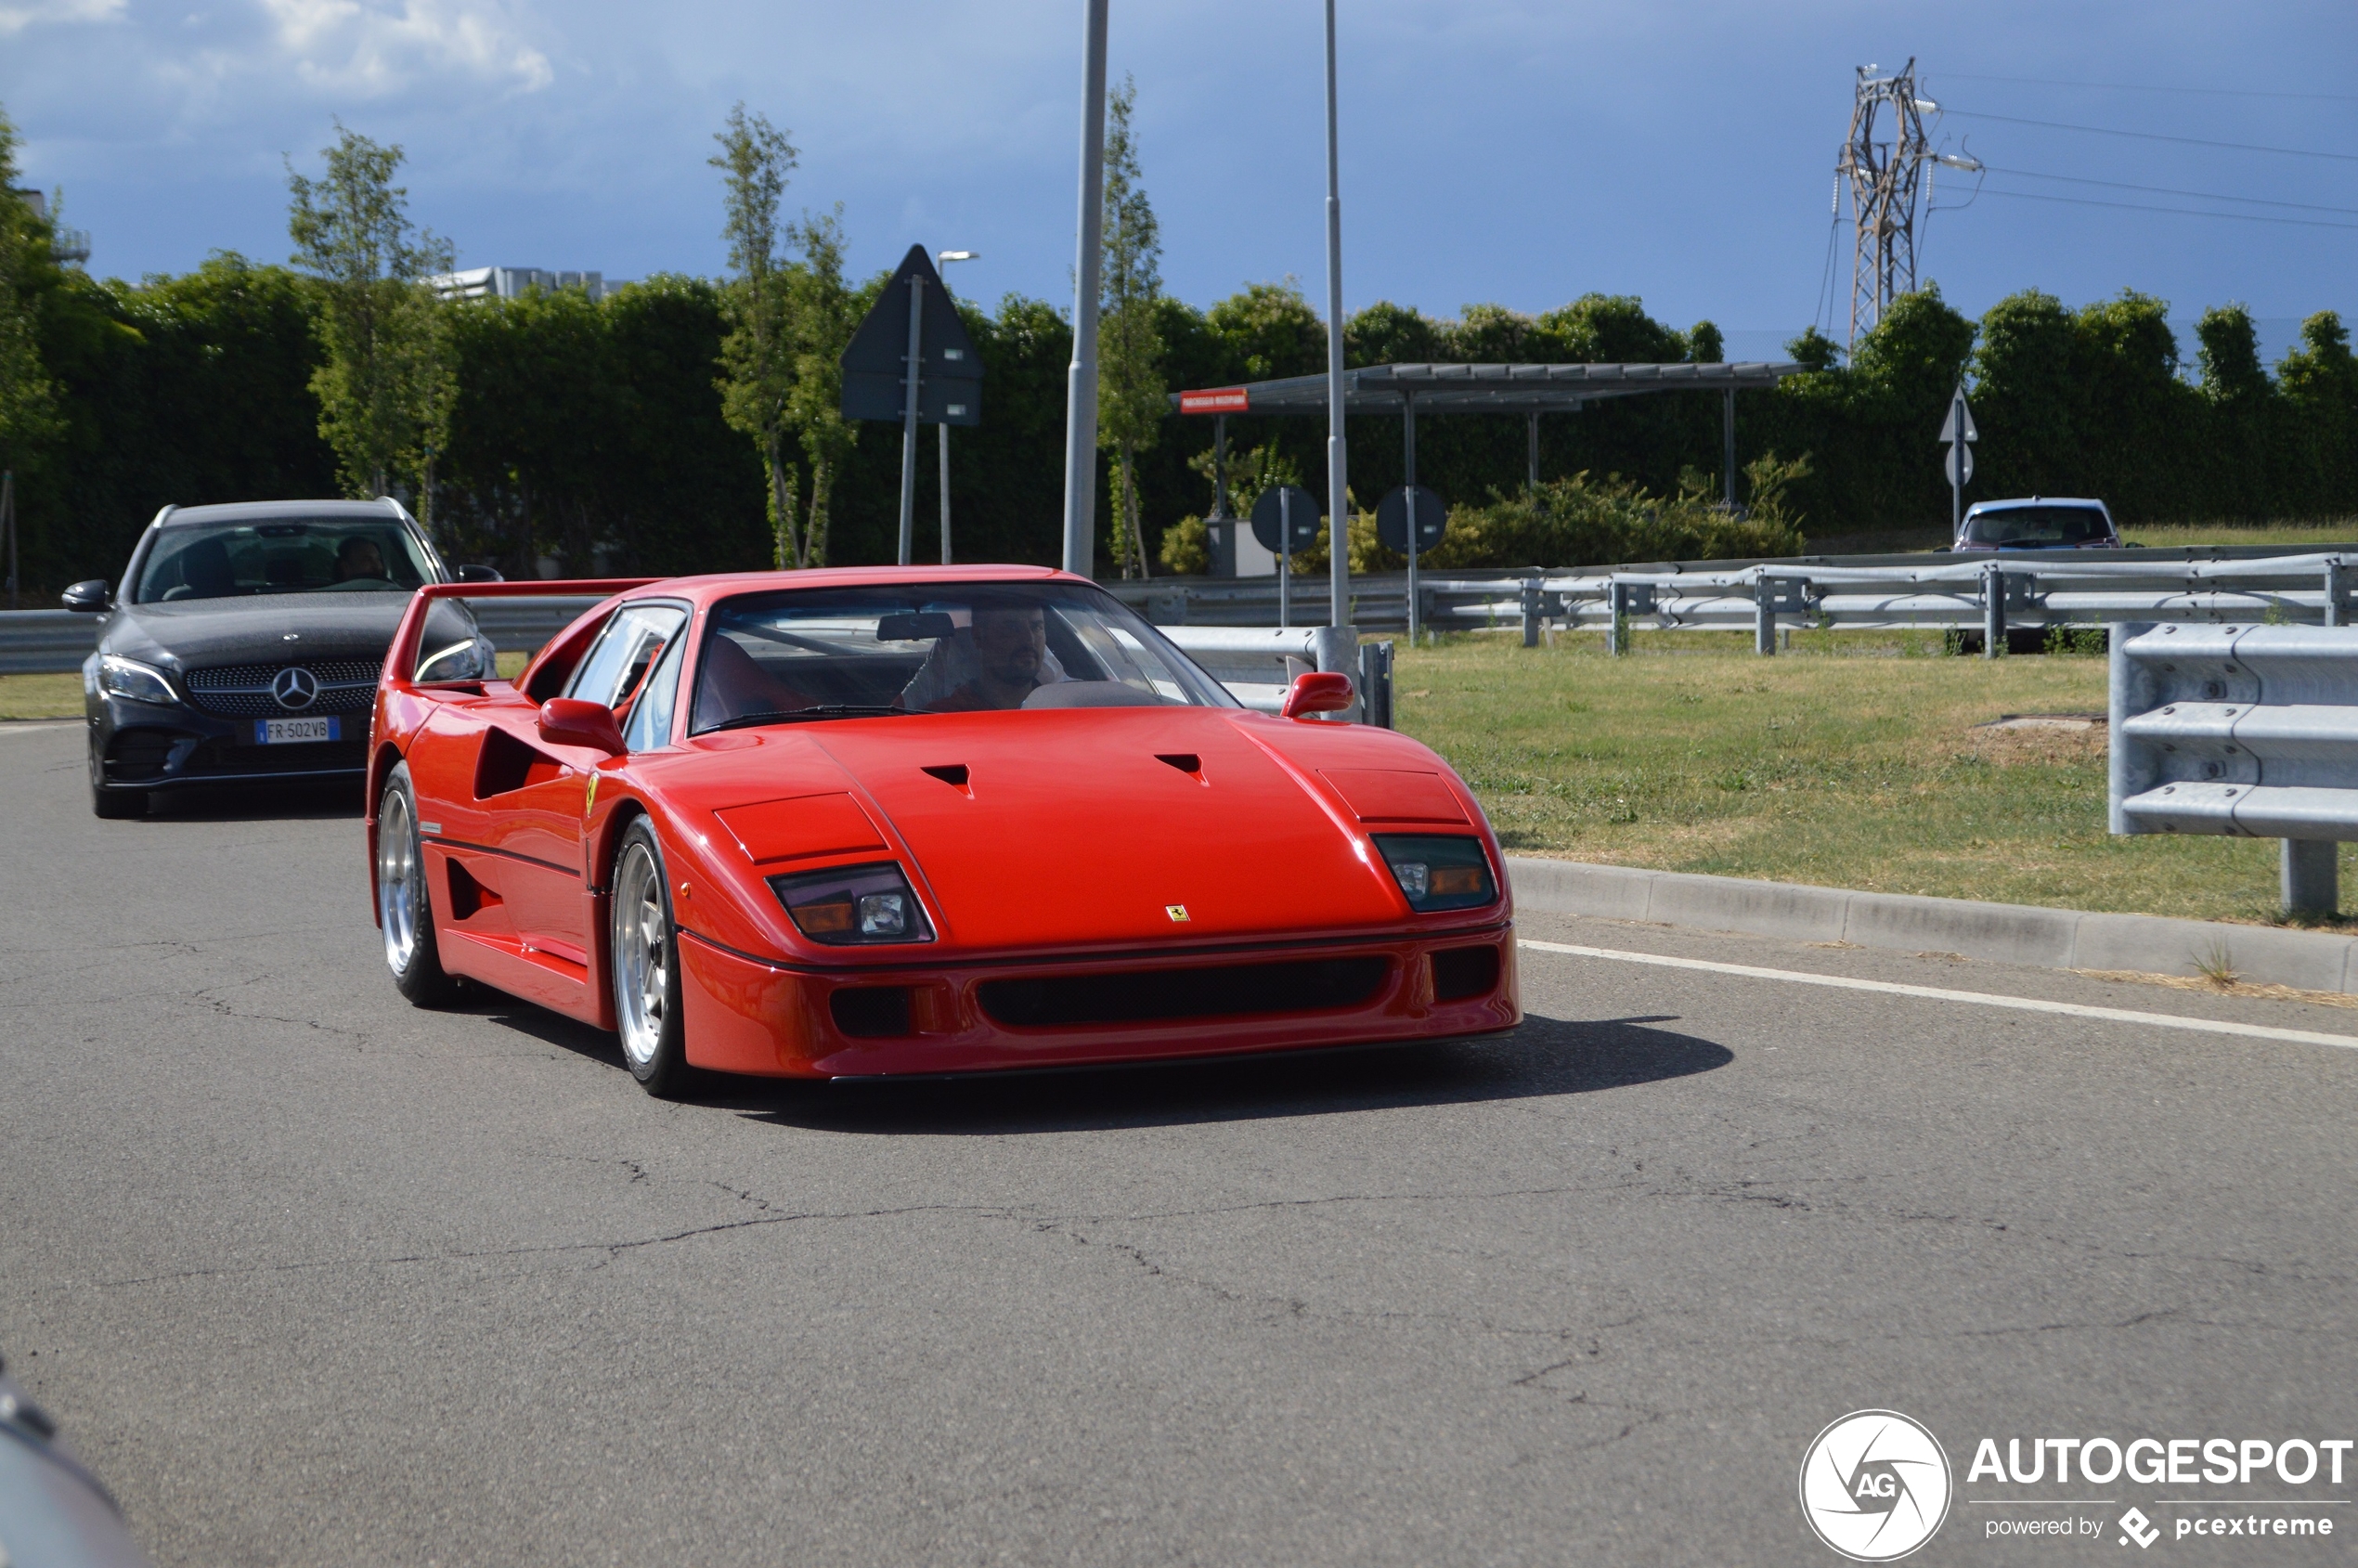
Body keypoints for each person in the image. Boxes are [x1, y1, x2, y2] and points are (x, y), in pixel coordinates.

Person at [929, 604, 1050, 711]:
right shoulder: (943, 716)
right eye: (1012, 628)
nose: (1029, 640)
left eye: (1037, 628)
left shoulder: (1061, 705)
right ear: (978, 637)